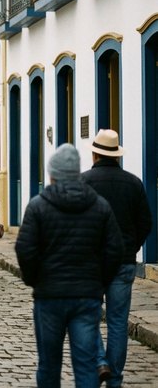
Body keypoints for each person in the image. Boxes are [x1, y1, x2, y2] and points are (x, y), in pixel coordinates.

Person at [16, 143, 123, 388]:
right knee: (86, 365)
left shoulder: (38, 205)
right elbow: (114, 250)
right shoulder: (99, 206)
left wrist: (35, 280)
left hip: (49, 296)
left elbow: (25, 249)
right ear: (77, 173)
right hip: (87, 296)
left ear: (52, 174)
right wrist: (100, 281)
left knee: (48, 364)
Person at [81, 129, 152, 386]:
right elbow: (145, 222)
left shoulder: (84, 182)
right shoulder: (133, 183)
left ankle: (100, 361)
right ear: (117, 155)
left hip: (91, 262)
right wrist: (131, 246)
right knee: (118, 322)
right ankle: (115, 379)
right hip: (123, 261)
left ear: (95, 153)